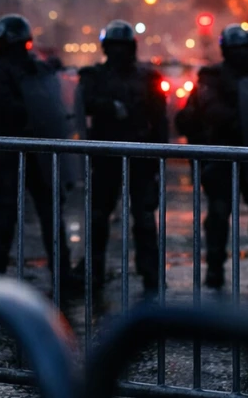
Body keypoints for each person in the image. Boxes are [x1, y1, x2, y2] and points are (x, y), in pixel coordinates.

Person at [175, 23, 248, 293]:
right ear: (226, 50)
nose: (241, 54)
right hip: (222, 155)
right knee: (218, 215)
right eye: (236, 49)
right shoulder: (211, 78)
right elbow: (211, 110)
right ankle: (215, 270)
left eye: (245, 48)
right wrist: (240, 121)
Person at [0, 14, 78, 288]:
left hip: (40, 153)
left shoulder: (36, 71)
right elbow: (6, 112)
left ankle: (63, 275)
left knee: (51, 218)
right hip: (10, 153)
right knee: (5, 221)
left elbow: (56, 106)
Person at [76, 20, 167, 292]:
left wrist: (158, 156)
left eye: (122, 47)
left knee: (144, 219)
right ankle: (94, 270)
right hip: (105, 156)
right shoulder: (95, 76)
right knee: (98, 218)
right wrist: (111, 108)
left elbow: (159, 119)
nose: (118, 52)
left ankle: (150, 273)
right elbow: (87, 103)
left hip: (140, 155)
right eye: (113, 46)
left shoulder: (147, 78)